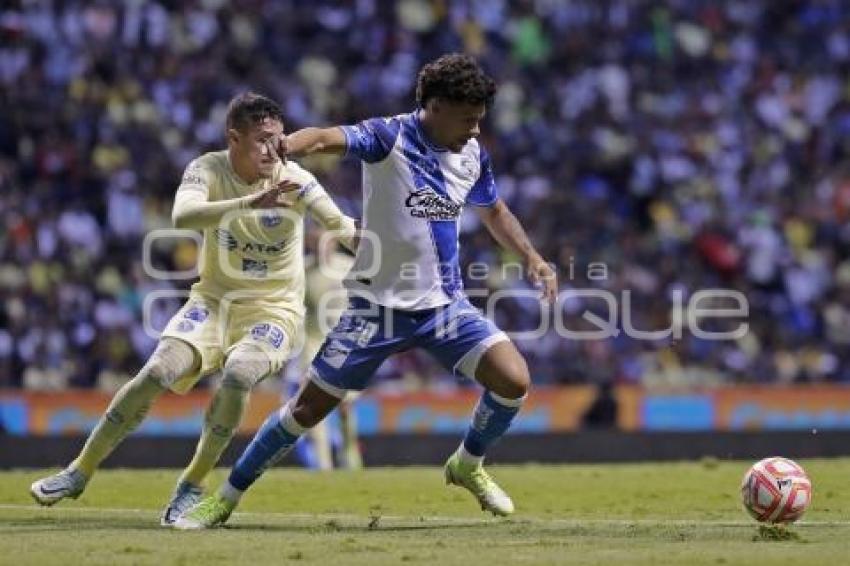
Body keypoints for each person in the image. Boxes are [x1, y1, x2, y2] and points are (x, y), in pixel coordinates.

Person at [175, 53, 557, 529]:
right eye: (469, 119)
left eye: (480, 120)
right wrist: (288, 144)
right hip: (376, 309)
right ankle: (224, 498)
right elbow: (326, 137)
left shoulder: (472, 155)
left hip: (444, 306)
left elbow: (495, 211)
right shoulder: (388, 136)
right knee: (307, 410)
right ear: (436, 107)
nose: (476, 131)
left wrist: (533, 258)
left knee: (514, 380)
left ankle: (467, 465)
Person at [29, 93, 357, 526]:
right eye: (261, 140)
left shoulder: (295, 180)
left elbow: (341, 227)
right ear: (233, 139)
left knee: (240, 373)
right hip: (213, 303)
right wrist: (249, 204)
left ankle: (192, 485)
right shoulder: (206, 169)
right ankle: (79, 471)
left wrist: (388, 249)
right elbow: (183, 217)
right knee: (157, 372)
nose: (272, 150)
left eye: (278, 140)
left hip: (273, 312)